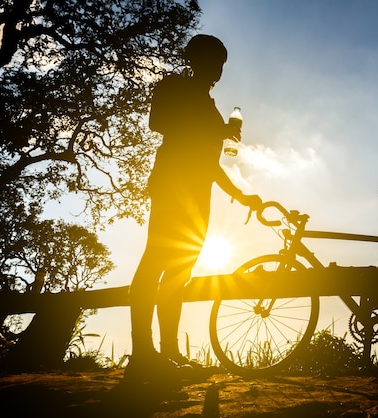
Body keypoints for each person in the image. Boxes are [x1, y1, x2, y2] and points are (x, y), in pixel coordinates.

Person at [125, 34, 261, 383]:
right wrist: (213, 129)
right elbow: (158, 123)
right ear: (192, 59)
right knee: (155, 261)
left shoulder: (209, 103)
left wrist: (240, 194)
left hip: (199, 195)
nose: (216, 70)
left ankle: (169, 353)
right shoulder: (172, 86)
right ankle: (142, 355)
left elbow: (210, 165)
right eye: (212, 61)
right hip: (172, 184)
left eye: (221, 65)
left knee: (179, 273)